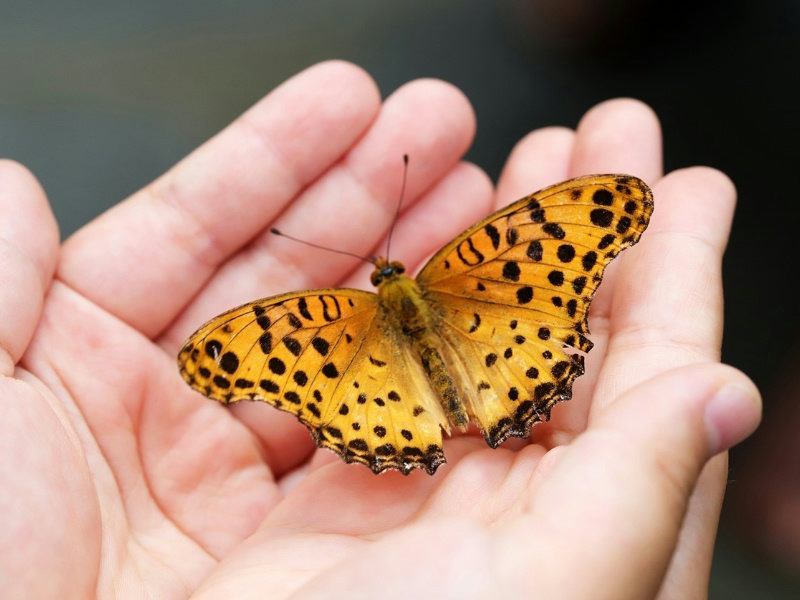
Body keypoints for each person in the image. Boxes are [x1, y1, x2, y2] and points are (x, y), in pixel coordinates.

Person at [1, 60, 761, 598]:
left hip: (380, 402)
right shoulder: (471, 262)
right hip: (505, 349)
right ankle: (495, 406)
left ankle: (427, 427)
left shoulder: (316, 320)